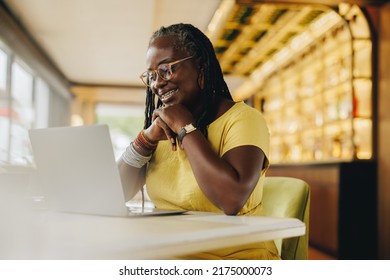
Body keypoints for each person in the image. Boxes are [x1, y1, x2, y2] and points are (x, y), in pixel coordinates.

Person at [117, 23, 280, 260]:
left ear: (200, 66)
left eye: (166, 69)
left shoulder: (244, 119)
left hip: (234, 257)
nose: (157, 83)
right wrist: (146, 138)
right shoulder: (161, 130)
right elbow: (115, 192)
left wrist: (186, 129)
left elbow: (231, 199)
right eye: (152, 76)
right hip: (171, 254)